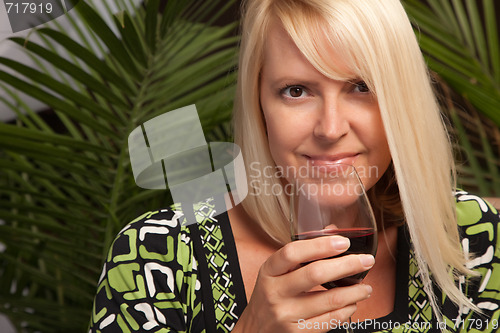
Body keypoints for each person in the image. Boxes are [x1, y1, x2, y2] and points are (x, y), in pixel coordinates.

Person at [89, 0, 500, 332]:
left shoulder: (475, 237)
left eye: (361, 87)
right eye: (297, 91)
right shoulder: (153, 255)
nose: (331, 128)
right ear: (258, 103)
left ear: (402, 99)